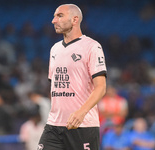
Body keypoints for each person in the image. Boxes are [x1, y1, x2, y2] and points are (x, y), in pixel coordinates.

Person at [38, 4, 107, 150]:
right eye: (54, 16)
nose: (53, 20)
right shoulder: (54, 49)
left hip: (83, 126)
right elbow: (54, 86)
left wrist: (81, 112)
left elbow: (101, 88)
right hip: (54, 125)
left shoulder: (92, 47)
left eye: (59, 16)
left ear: (75, 20)